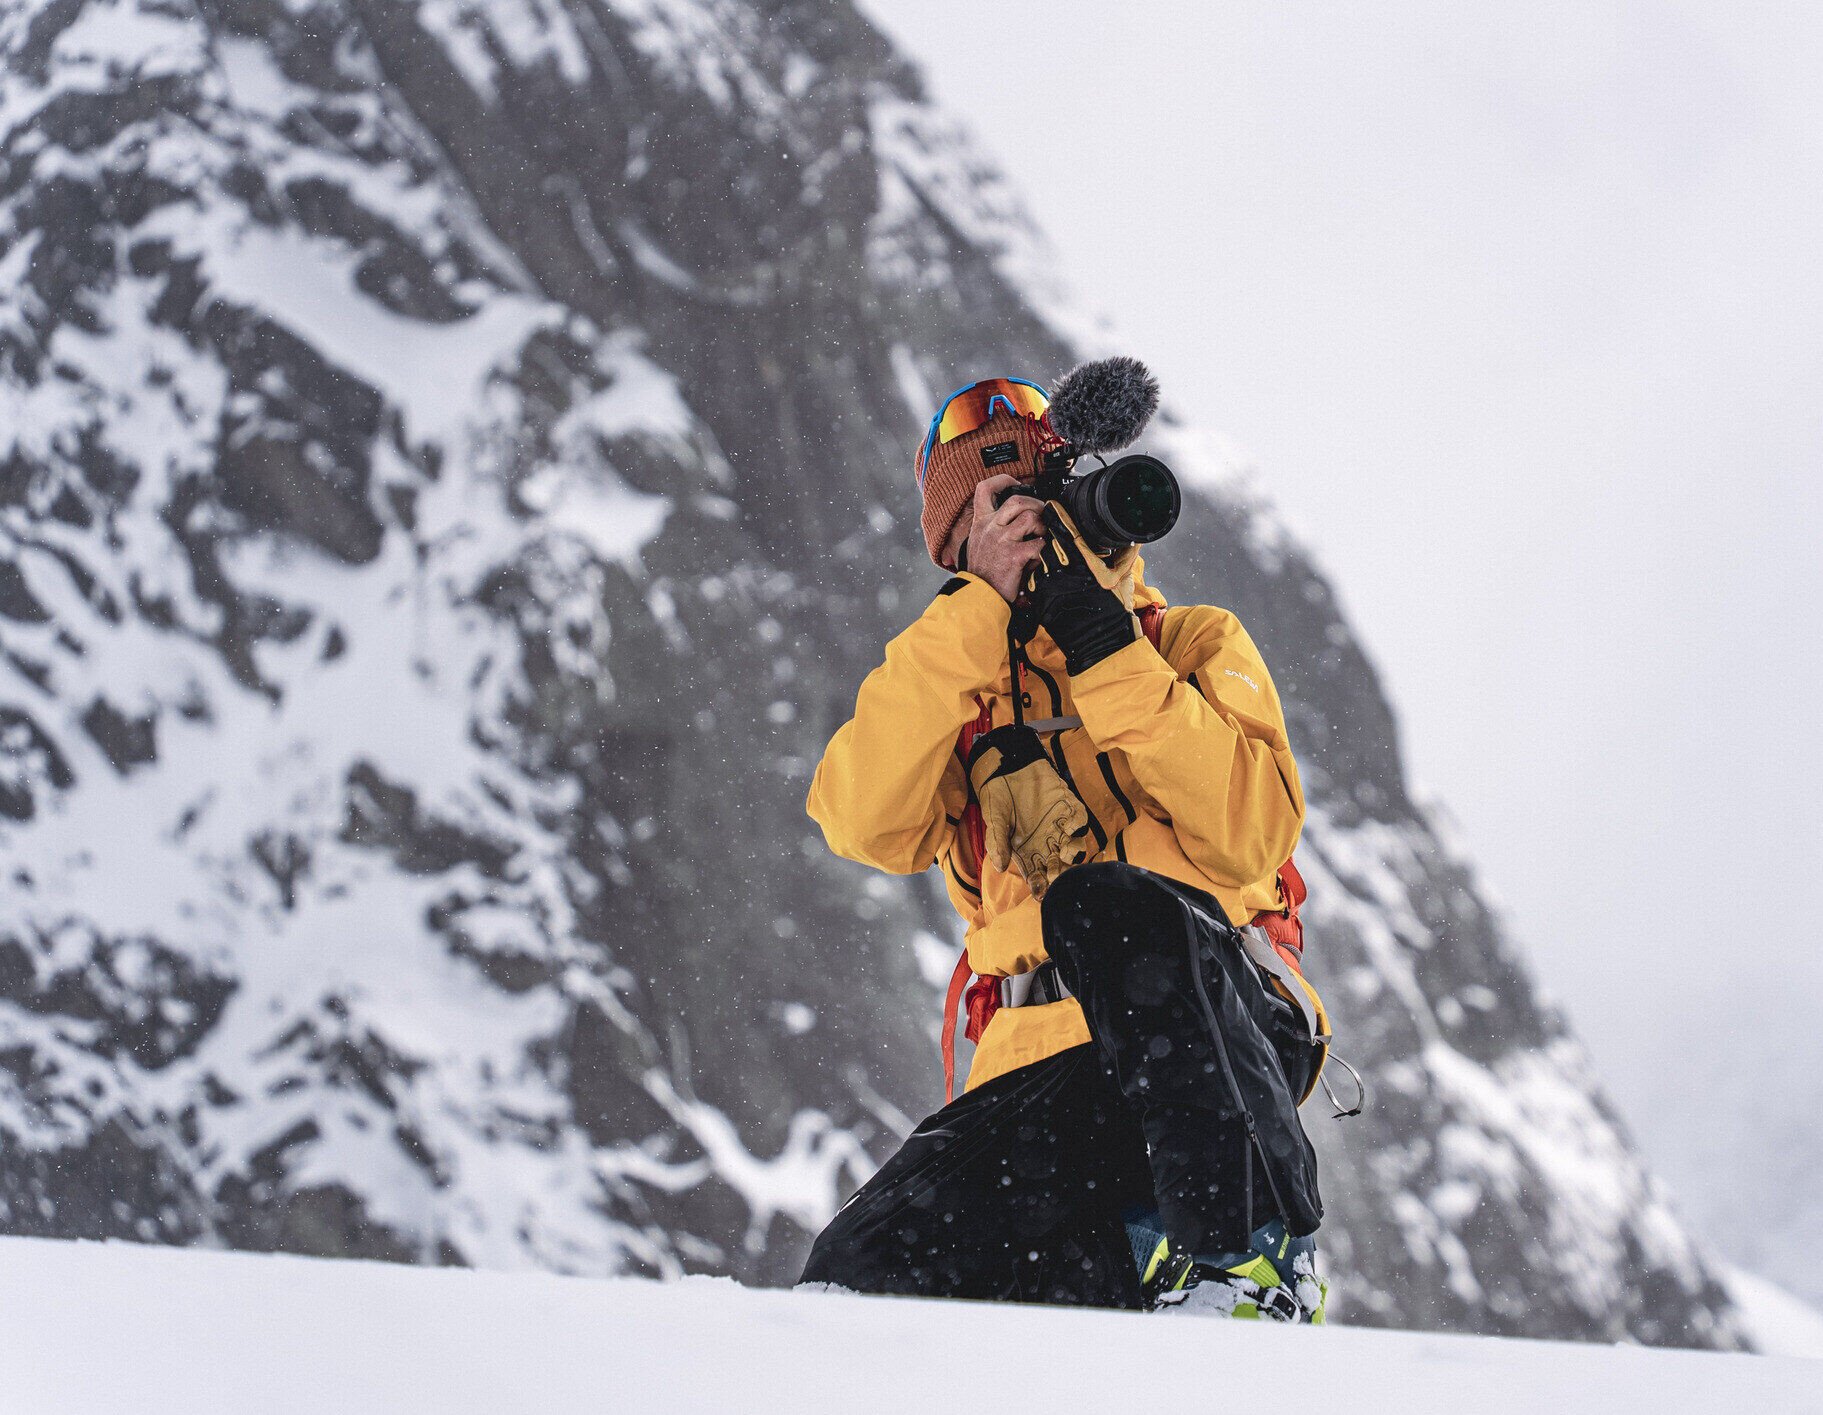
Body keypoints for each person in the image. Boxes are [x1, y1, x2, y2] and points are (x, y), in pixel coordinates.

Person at [798, 372, 1332, 1319]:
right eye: (1002, 512)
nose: (1040, 528)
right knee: (856, 1270)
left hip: (1226, 1029)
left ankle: (1248, 1264)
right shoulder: (956, 704)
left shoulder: (1187, 643)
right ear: (956, 542)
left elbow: (1253, 834)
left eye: (1045, 498)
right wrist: (979, 612)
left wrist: (1105, 651)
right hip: (1051, 1073)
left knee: (1107, 903)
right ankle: (1166, 1282)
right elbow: (858, 816)